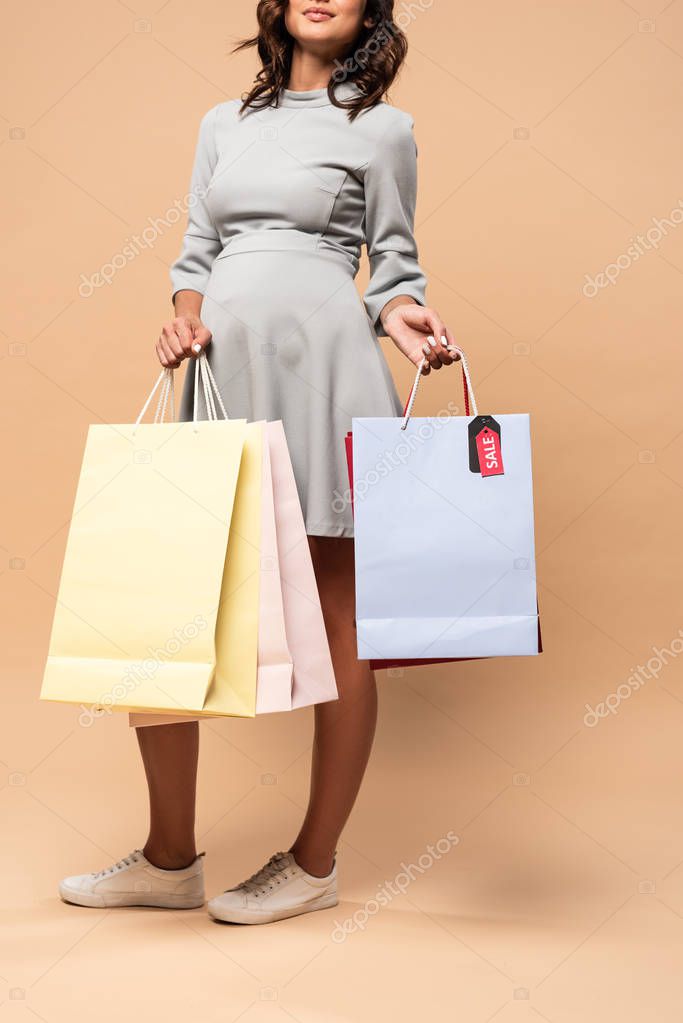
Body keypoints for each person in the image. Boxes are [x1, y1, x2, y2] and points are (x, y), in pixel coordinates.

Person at [59, 0, 457, 923]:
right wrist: (182, 315)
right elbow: (196, 248)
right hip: (218, 368)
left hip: (326, 371)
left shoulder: (384, 130)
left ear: (369, 14)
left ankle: (313, 861)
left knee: (336, 614)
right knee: (172, 605)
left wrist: (404, 320)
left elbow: (392, 266)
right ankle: (168, 860)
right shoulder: (222, 124)